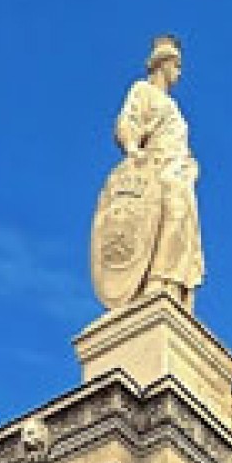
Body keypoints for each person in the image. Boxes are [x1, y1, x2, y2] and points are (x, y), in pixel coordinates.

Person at [90, 35, 204, 312]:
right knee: (173, 212)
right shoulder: (142, 90)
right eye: (176, 65)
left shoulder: (174, 107)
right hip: (156, 169)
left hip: (179, 172)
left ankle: (173, 285)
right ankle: (157, 278)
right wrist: (132, 148)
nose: (179, 72)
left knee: (183, 224)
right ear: (162, 64)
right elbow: (127, 121)